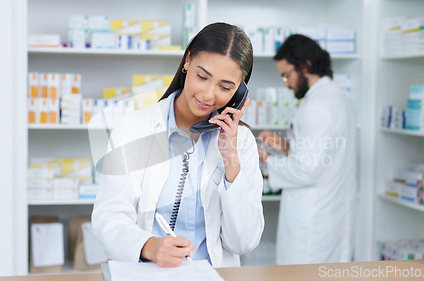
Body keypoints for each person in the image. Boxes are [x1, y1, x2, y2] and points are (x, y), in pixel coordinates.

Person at [92, 22, 264, 268]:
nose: (207, 94)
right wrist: (149, 246)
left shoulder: (241, 143)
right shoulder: (134, 128)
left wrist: (231, 163)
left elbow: (244, 243)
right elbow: (108, 218)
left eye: (225, 87)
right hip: (148, 272)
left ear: (239, 93)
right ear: (187, 61)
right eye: (202, 77)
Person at [257, 34, 357, 265]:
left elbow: (306, 170)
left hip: (313, 225)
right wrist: (287, 147)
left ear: (306, 66)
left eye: (286, 75)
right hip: (329, 214)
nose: (285, 83)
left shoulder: (317, 107)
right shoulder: (337, 97)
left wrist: (264, 157)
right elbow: (324, 156)